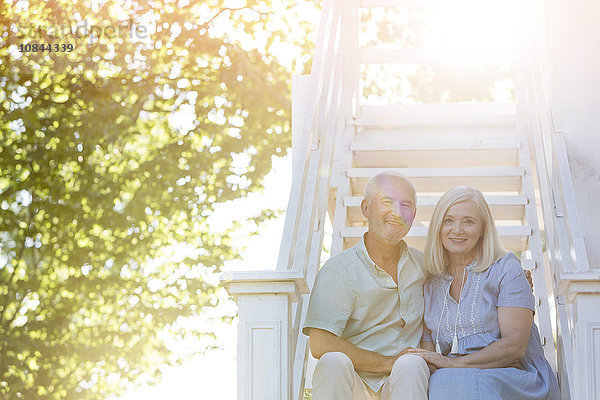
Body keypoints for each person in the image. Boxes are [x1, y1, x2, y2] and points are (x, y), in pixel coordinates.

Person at [408, 186, 559, 399]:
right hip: (457, 380)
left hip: (515, 377)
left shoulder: (505, 268)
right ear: (438, 227)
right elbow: (430, 355)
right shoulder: (430, 284)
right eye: (448, 220)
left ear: (483, 229)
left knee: (446, 379)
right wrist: (448, 365)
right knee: (435, 380)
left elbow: (514, 347)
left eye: (468, 221)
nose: (457, 229)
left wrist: (454, 363)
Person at [302, 173, 430, 399]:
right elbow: (320, 344)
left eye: (406, 205)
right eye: (387, 202)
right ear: (365, 208)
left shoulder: (424, 267)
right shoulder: (339, 270)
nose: (397, 212)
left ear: (413, 216)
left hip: (404, 381)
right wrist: (387, 362)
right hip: (354, 383)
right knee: (332, 361)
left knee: (413, 364)